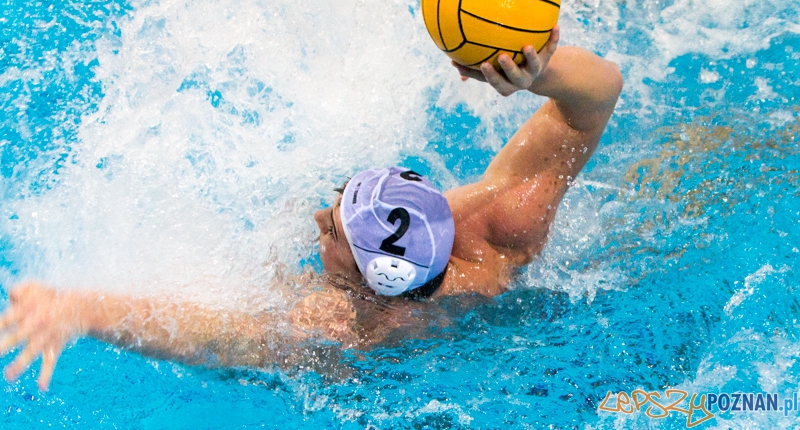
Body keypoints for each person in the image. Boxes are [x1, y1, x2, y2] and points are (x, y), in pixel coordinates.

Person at [0, 26, 623, 391]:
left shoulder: (343, 322)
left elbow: (221, 338)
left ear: (363, 278)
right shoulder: (494, 228)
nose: (319, 219)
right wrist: (530, 74)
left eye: (335, 230)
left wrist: (83, 307)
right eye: (343, 200)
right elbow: (599, 92)